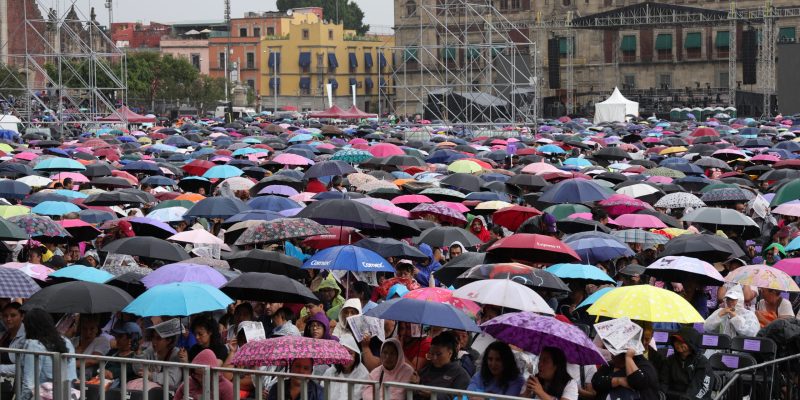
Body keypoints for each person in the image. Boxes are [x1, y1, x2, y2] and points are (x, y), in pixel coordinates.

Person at [20, 308, 78, 400]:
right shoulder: (66, 341)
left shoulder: (34, 345)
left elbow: (29, 384)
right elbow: (71, 376)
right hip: (67, 395)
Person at [411, 331, 470, 399]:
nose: (434, 358)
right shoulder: (425, 370)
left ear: (450, 353)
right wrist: (415, 384)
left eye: (438, 354)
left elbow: (458, 397)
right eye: (431, 354)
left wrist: (434, 395)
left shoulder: (461, 375)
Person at [659, 327, 714, 400]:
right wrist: (661, 394)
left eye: (682, 341)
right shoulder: (669, 360)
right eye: (676, 341)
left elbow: (699, 388)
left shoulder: (702, 363)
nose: (678, 344)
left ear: (691, 344)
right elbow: (664, 382)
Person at [592, 347, 660, 400]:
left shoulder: (645, 366)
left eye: (615, 354)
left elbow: (637, 382)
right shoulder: (609, 365)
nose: (612, 356)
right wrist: (618, 381)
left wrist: (628, 358)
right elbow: (596, 382)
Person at [134, 322, 183, 392]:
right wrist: (138, 354)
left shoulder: (176, 354)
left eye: (158, 338)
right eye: (153, 337)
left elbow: (172, 381)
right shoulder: (150, 350)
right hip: (151, 391)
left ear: (168, 340)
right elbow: (139, 371)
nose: (154, 342)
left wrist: (151, 376)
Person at [322, 335, 369, 399]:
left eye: (350, 353)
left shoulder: (363, 374)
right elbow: (322, 392)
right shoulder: (330, 372)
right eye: (343, 352)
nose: (346, 357)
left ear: (356, 355)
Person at [0, 302, 25, 376]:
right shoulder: (4, 335)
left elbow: (24, 366)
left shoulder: (28, 336)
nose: (8, 319)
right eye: (5, 316)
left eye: (13, 315)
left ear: (22, 316)